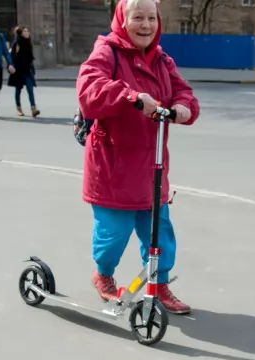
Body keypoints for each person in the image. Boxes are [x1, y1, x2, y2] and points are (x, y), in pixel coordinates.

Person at [76, 0, 200, 314]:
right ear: (123, 18)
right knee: (112, 237)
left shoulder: (162, 60)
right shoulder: (107, 51)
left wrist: (184, 106)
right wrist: (130, 96)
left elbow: (183, 91)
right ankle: (103, 275)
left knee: (160, 236)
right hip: (113, 169)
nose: (145, 25)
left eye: (151, 18)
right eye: (138, 17)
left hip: (151, 168)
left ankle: (159, 286)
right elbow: (89, 90)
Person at [7, 26, 40, 117]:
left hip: (27, 70)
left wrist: (32, 69)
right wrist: (10, 66)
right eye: (25, 31)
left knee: (30, 89)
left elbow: (30, 57)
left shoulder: (28, 42)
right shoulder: (16, 43)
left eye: (27, 31)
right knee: (18, 90)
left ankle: (33, 109)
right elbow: (12, 56)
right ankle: (19, 108)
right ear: (21, 33)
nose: (27, 32)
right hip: (18, 71)